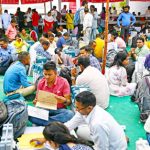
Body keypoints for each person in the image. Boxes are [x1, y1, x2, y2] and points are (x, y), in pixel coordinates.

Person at [29, 61, 74, 126]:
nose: (47, 77)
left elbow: (68, 102)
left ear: (56, 73)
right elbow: (37, 99)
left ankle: (45, 122)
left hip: (59, 110)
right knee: (29, 114)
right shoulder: (41, 82)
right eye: (45, 74)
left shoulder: (63, 82)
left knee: (70, 114)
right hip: (44, 109)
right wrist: (36, 101)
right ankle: (55, 123)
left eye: (49, 74)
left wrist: (64, 100)